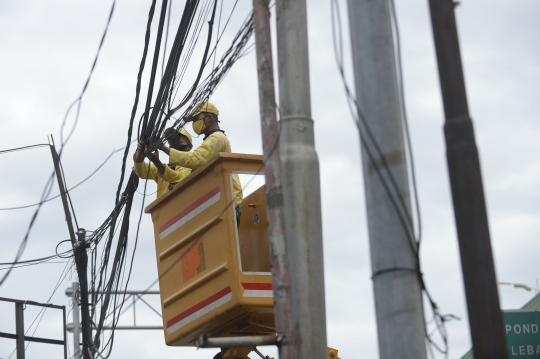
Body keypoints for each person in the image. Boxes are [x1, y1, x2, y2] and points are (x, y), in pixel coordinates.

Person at [146, 102, 243, 221]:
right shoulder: (211, 140)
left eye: (196, 119)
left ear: (210, 118)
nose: (194, 124)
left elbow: (195, 159)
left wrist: (163, 148)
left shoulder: (217, 138)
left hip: (228, 202)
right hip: (221, 202)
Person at [133, 128, 193, 198]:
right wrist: (139, 154)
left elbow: (179, 178)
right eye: (171, 143)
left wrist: (157, 162)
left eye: (178, 142)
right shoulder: (162, 167)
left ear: (189, 147)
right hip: (163, 208)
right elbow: (142, 171)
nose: (174, 146)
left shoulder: (193, 164)